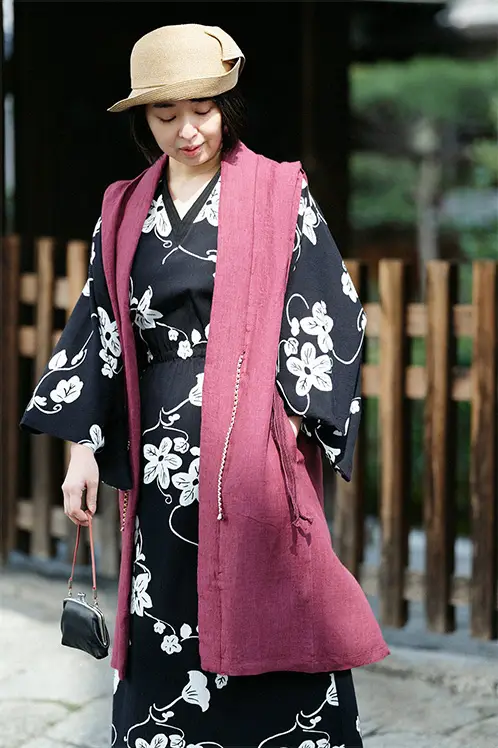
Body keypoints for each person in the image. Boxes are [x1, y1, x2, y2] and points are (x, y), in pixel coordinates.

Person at [20, 23, 389, 748]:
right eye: (166, 115)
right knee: (166, 605)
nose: (188, 131)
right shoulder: (123, 207)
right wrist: (81, 450)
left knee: (275, 593)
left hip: (252, 448)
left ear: (228, 106)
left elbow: (330, 309)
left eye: (203, 110)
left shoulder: (280, 192)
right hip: (159, 459)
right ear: (144, 120)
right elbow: (100, 325)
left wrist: (287, 422)